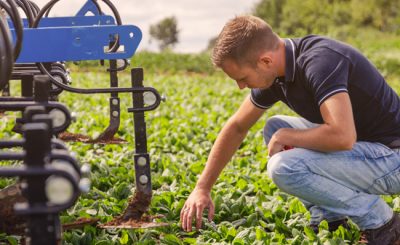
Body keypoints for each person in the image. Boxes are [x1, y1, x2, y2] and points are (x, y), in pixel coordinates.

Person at [179, 15, 400, 244]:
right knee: (275, 126)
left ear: (265, 61)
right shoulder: (277, 73)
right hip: (368, 151)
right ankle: (329, 218)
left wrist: (286, 136)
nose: (241, 86)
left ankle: (384, 224)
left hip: (392, 159)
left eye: (242, 78)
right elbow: (237, 127)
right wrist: (202, 188)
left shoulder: (320, 62)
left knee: (284, 167)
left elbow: (343, 136)